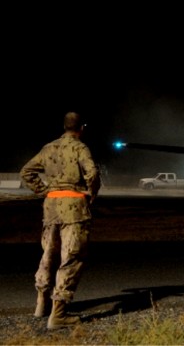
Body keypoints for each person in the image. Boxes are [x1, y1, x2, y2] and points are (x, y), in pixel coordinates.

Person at [20, 111, 101, 330]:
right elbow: (92, 173)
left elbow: (27, 172)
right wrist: (90, 194)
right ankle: (58, 314)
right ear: (80, 128)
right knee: (71, 257)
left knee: (48, 253)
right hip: (74, 208)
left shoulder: (48, 148)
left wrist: (45, 190)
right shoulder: (80, 148)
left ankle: (41, 304)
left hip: (51, 207)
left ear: (64, 126)